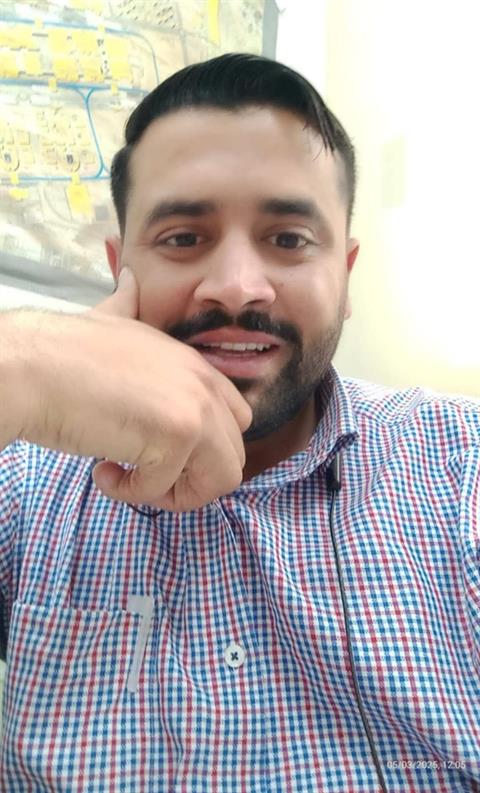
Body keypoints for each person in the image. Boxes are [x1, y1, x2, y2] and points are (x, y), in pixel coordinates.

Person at [0, 52, 478, 793]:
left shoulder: (461, 463)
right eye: (183, 237)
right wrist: (18, 363)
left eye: (288, 239)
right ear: (118, 267)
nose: (235, 288)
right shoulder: (24, 481)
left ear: (345, 276)